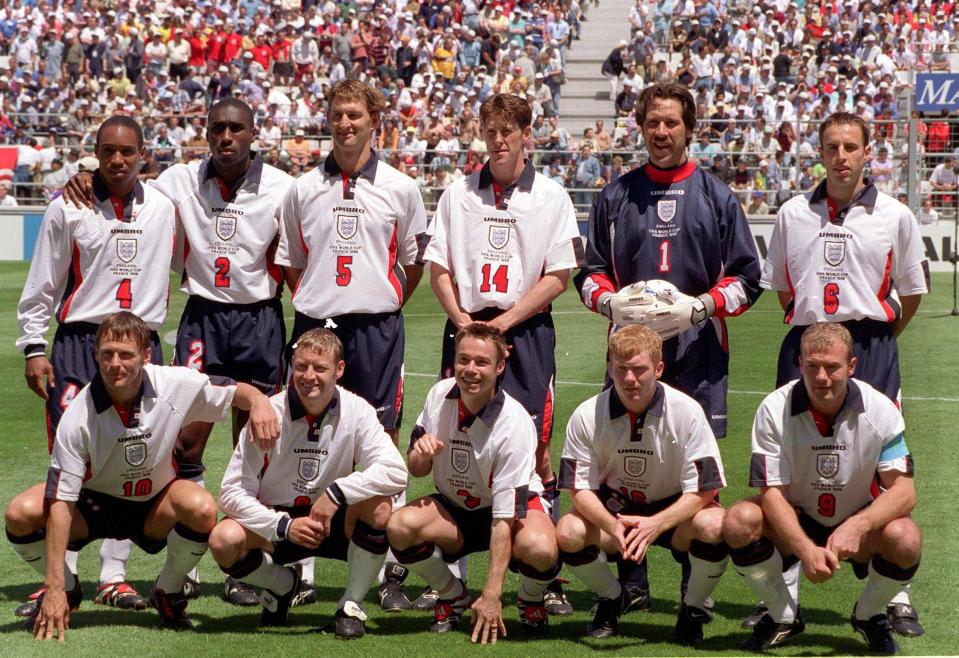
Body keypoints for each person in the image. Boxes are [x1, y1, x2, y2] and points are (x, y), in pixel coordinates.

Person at [63, 98, 298, 608]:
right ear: (206, 133)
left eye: (236, 128)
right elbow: (121, 176)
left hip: (260, 319)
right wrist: (85, 174)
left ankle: (246, 562)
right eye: (217, 128)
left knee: (256, 443)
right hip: (202, 318)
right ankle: (183, 558)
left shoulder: (282, 186)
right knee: (183, 443)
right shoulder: (179, 179)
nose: (226, 137)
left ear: (254, 132)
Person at [574, 81, 761, 613]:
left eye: (672, 122)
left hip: (697, 356)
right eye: (653, 122)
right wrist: (612, 305)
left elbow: (749, 281)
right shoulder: (615, 196)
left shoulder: (718, 196)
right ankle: (631, 585)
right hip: (630, 359)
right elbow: (589, 277)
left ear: (689, 128)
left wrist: (698, 307)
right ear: (640, 126)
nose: (661, 131)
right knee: (625, 467)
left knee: (694, 474)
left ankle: (690, 590)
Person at [5, 311, 280, 638]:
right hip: (93, 506)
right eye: (107, 354)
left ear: (146, 355)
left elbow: (234, 391)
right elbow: (61, 503)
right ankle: (68, 588)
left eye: (126, 354)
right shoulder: (79, 414)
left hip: (153, 506)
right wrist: (53, 586)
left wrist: (260, 400)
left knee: (202, 507)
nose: (115, 364)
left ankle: (168, 591)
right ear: (96, 355)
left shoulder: (173, 383)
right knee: (20, 514)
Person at [759, 112, 928, 636]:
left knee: (881, 467)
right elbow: (785, 289)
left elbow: (913, 292)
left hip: (871, 346)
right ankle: (783, 599)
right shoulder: (791, 213)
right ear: (819, 151)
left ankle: (890, 593)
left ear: (867, 151)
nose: (841, 156)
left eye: (850, 146)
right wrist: (820, 342)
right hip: (808, 345)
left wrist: (869, 343)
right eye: (831, 146)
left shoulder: (894, 215)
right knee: (793, 460)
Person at [421, 92, 582, 615]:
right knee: (454, 438)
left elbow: (559, 275)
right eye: (490, 130)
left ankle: (543, 577)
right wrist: (463, 320)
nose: (498, 139)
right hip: (467, 327)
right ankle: (451, 574)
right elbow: (437, 267)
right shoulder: (458, 193)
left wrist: (505, 323)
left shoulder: (552, 195)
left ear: (526, 135)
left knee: (534, 445)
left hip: (526, 331)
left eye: (509, 130)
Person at [275, 79, 428, 611]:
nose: (345, 124)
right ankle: (303, 568)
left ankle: (389, 571)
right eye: (337, 114)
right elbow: (293, 261)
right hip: (317, 324)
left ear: (374, 121)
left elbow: (412, 263)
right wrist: (320, 304)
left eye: (355, 115)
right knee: (305, 438)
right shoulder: (301, 188)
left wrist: (379, 301)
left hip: (377, 330)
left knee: (382, 440)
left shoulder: (401, 187)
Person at [16, 116, 175, 616]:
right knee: (70, 459)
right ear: (95, 153)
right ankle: (65, 578)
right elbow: (44, 280)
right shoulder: (69, 206)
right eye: (107, 151)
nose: (117, 160)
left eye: (127, 151)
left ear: (143, 153)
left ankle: (116, 575)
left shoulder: (167, 207)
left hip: (141, 343)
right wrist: (33, 347)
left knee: (135, 454)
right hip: (80, 345)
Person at [723, 323, 921, 654]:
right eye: (812, 365)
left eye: (832, 367)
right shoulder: (774, 409)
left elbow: (904, 491)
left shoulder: (881, 409)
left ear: (852, 366)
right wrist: (803, 549)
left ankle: (869, 615)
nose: (821, 377)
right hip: (797, 514)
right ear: (799, 363)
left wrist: (857, 526)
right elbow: (772, 492)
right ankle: (781, 615)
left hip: (856, 515)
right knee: (738, 520)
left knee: (907, 538)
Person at [209, 328, 408, 638]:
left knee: (379, 506)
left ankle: (350, 605)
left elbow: (397, 471)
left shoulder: (357, 410)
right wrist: (283, 525)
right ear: (292, 365)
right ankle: (282, 585)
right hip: (276, 523)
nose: (308, 376)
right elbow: (231, 493)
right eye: (301, 366)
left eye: (320, 368)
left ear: (339, 370)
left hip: (331, 519)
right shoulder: (268, 413)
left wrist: (338, 492)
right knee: (223, 539)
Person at [387, 323, 560, 642]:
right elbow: (417, 468)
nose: (470, 370)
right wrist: (422, 455)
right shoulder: (439, 394)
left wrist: (493, 595)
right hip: (456, 508)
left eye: (481, 362)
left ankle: (530, 598)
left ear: (500, 366)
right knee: (399, 527)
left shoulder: (515, 424)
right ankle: (453, 595)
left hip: (508, 513)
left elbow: (504, 518)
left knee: (541, 548)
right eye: (463, 360)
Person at [557, 325, 728, 644]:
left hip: (675, 511)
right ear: (610, 367)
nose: (630, 379)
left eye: (639, 369)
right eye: (621, 369)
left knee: (716, 525)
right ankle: (612, 598)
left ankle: (691, 609)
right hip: (618, 512)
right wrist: (611, 524)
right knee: (569, 532)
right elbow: (578, 489)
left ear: (659, 369)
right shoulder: (586, 414)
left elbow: (705, 489)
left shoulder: (687, 411)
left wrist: (655, 524)